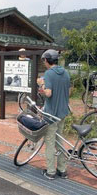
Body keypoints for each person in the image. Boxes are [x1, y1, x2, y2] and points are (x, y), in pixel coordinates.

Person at [37, 49, 70, 180]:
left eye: (44, 60)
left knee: (50, 142)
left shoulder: (49, 73)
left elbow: (48, 93)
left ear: (46, 60)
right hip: (63, 112)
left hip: (51, 114)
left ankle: (50, 171)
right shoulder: (65, 72)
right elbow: (69, 91)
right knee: (60, 141)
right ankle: (62, 170)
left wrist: (42, 85)